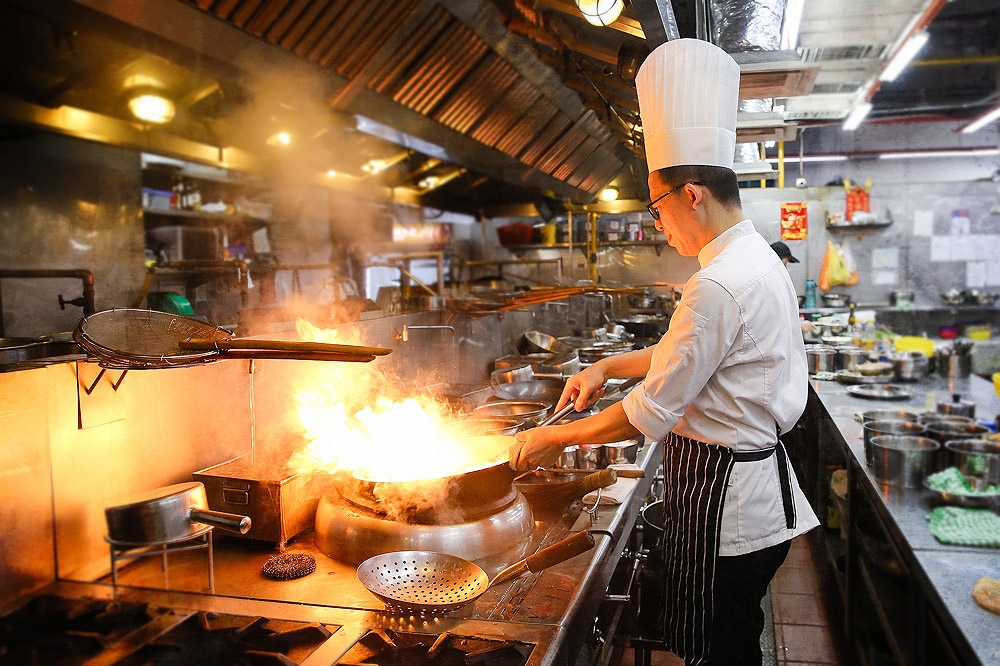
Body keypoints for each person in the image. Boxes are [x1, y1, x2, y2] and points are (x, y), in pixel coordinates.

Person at [508, 38, 819, 666]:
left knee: (721, 655)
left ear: (692, 194)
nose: (657, 222)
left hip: (727, 511)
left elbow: (646, 413)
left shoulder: (718, 284)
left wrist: (551, 439)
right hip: (748, 494)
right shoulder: (753, 259)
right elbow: (688, 354)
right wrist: (605, 365)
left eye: (657, 205)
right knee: (727, 644)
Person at [770, 241, 816, 335]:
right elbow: (773, 320)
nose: (785, 268)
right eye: (785, 263)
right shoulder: (769, 283)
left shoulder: (776, 281)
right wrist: (799, 326)